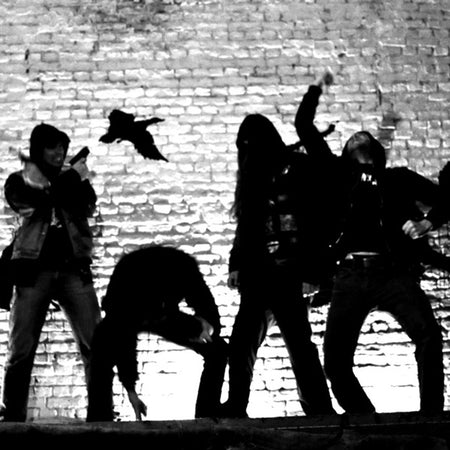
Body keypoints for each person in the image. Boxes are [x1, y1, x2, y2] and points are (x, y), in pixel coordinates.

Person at [295, 73, 449, 414]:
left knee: (429, 336)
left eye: (364, 136)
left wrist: (427, 222)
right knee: (335, 363)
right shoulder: (337, 175)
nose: (359, 135)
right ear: (346, 154)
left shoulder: (397, 178)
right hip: (349, 276)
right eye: (353, 138)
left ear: (377, 153)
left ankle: (431, 417)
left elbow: (445, 199)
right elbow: (304, 125)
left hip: (393, 273)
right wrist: (317, 88)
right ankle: (368, 422)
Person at [220, 113, 335, 418]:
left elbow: (316, 220)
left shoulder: (298, 167)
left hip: (290, 270)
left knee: (299, 344)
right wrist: (236, 263)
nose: (248, 149)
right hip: (258, 272)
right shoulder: (251, 175)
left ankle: (319, 410)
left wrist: (314, 271)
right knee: (242, 342)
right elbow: (246, 223)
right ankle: (236, 405)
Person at [0, 123, 101, 422]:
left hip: (73, 269)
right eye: (52, 147)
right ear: (38, 149)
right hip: (33, 270)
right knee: (21, 348)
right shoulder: (20, 180)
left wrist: (69, 183)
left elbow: (87, 205)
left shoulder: (75, 179)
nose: (59, 153)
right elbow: (30, 204)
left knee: (96, 344)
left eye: (62, 148)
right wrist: (69, 180)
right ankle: (13, 420)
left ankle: (101, 415)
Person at [86, 245, 228, 422]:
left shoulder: (184, 268)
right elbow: (124, 340)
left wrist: (207, 328)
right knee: (102, 346)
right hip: (130, 312)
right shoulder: (126, 290)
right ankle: (99, 419)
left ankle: (207, 415)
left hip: (163, 313)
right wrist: (131, 391)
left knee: (218, 349)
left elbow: (206, 305)